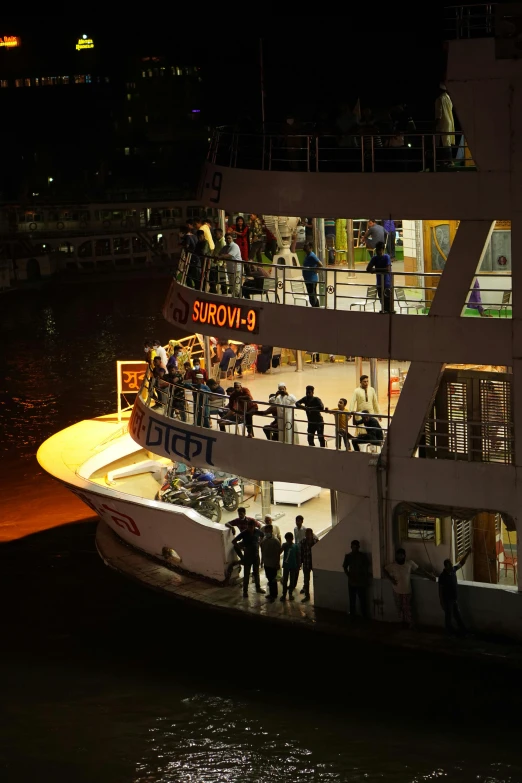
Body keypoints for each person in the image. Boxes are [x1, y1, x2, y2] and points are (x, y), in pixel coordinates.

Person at [384, 548, 435, 628]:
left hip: (407, 591)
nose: (399, 557)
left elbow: (419, 569)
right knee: (399, 608)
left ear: (404, 556)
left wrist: (429, 575)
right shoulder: (392, 566)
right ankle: (403, 622)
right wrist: (391, 579)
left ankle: (411, 623)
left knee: (407, 608)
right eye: (398, 555)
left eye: (401, 555)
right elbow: (385, 570)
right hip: (396, 591)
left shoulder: (409, 563)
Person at [439, 547, 471, 635]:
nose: (451, 567)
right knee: (448, 616)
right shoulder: (442, 577)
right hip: (447, 600)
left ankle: (462, 630)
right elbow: (440, 590)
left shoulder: (453, 570)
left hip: (454, 599)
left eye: (451, 565)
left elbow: (462, 563)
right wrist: (441, 602)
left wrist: (468, 553)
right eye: (449, 566)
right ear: (446, 567)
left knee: (457, 615)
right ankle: (449, 632)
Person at [232, 519, 265, 597]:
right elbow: (234, 541)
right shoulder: (244, 533)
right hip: (247, 557)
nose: (250, 529)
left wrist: (260, 542)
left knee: (256, 573)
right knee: (246, 574)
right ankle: (245, 591)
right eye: (249, 527)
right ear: (247, 526)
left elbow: (263, 535)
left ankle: (258, 588)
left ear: (254, 526)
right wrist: (241, 547)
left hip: (256, 556)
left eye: (251, 527)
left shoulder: (257, 531)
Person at [343, 540, 370, 618]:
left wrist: (365, 579)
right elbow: (345, 567)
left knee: (362, 600)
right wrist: (349, 575)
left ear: (358, 547)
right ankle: (353, 615)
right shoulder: (349, 556)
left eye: (356, 546)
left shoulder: (362, 556)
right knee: (353, 600)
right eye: (353, 546)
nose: (355, 548)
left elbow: (366, 568)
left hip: (360, 581)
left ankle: (363, 615)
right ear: (351, 547)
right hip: (353, 581)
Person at [367, 241, 392, 313]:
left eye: (380, 250)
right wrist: (376, 270)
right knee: (382, 301)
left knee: (388, 302)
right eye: (377, 250)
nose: (378, 252)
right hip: (380, 284)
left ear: (383, 249)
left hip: (387, 284)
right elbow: (368, 268)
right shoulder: (375, 258)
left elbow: (388, 269)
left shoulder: (386, 257)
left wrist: (375, 269)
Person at [260, 524, 282, 602]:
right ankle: (271, 594)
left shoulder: (275, 541)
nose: (267, 532)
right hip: (267, 563)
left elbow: (278, 553)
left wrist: (277, 563)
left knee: (273, 580)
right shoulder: (264, 540)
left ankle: (274, 595)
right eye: (266, 531)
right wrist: (262, 561)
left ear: (271, 531)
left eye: (268, 531)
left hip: (273, 563)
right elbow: (262, 551)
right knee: (269, 578)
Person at [435, 83, 455, 167]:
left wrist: (435, 125)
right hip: (450, 122)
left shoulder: (439, 99)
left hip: (443, 122)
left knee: (443, 142)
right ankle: (447, 161)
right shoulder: (448, 98)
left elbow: (438, 115)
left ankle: (446, 161)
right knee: (447, 141)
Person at [302, 242, 323, 307]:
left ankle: (315, 309)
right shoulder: (308, 255)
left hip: (311, 280)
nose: (305, 248)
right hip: (308, 279)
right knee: (312, 295)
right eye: (305, 246)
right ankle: (316, 309)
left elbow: (320, 264)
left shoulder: (312, 255)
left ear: (310, 248)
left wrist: (316, 270)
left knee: (312, 296)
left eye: (306, 247)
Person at [280, 531, 300, 601]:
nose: (288, 540)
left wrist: (298, 565)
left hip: (293, 566)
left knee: (292, 580)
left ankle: (290, 594)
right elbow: (279, 552)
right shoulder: (284, 545)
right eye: (287, 539)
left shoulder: (295, 546)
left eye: (289, 539)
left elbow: (298, 556)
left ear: (292, 538)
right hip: (286, 566)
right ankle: (284, 594)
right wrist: (283, 546)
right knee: (285, 580)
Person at [300, 527, 318, 602]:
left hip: (315, 564)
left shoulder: (316, 542)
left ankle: (317, 595)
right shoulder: (303, 542)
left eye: (308, 534)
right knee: (306, 581)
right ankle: (307, 596)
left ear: (312, 534)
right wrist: (300, 563)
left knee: (316, 580)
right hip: (306, 563)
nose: (307, 535)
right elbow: (301, 553)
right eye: (306, 534)